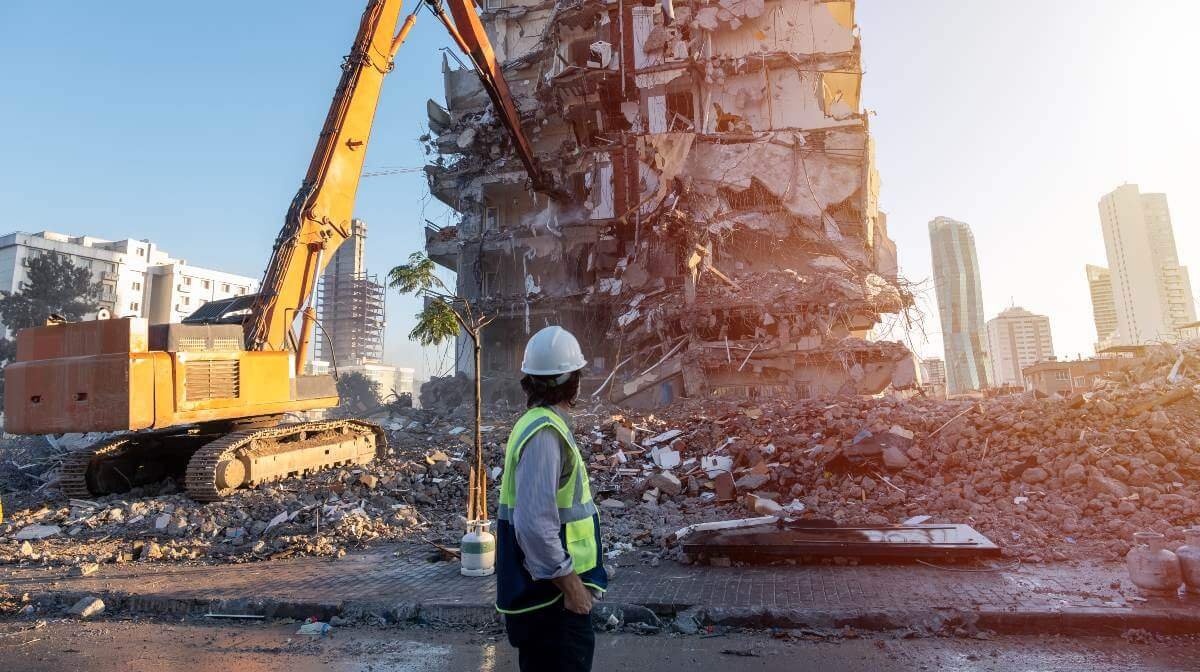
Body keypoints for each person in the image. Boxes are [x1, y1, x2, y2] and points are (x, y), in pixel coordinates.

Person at [496, 326, 608, 672]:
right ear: (573, 381)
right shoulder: (545, 432)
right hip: (552, 602)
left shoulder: (535, 423)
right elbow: (534, 525)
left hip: (544, 600)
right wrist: (573, 588)